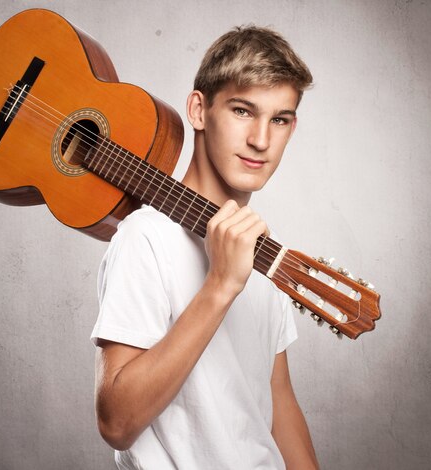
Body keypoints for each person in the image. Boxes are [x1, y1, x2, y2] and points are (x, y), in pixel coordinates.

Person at [91, 25, 319, 469]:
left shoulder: (261, 251)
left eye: (279, 119)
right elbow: (116, 423)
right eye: (241, 111)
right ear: (199, 109)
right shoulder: (144, 237)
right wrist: (219, 285)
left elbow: (278, 406)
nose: (260, 140)